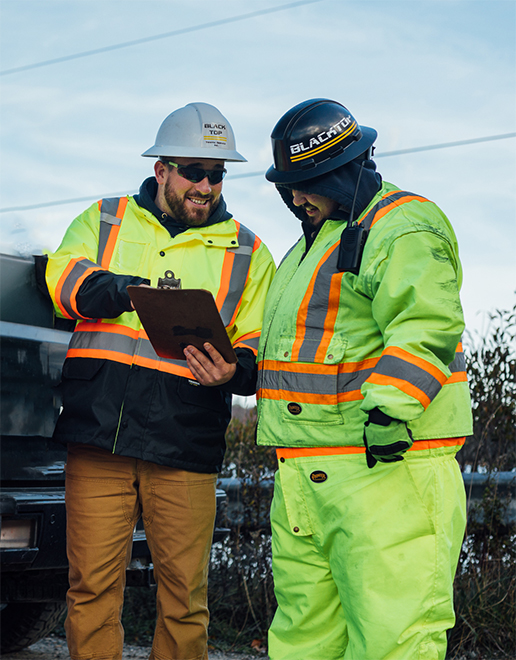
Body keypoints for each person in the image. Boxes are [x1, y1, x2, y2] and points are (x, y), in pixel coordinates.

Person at [45, 102, 276, 660]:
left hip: (186, 447)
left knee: (184, 600)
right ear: (162, 170)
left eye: (217, 174)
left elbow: (261, 348)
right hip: (101, 439)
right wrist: (121, 290)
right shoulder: (104, 219)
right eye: (194, 171)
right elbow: (62, 280)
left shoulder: (249, 252)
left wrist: (234, 371)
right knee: (92, 591)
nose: (206, 184)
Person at [255, 98, 472, 660]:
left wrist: (389, 411)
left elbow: (426, 324)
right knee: (303, 642)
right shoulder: (317, 240)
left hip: (385, 470)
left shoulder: (401, 226)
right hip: (306, 475)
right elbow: (307, 346)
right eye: (289, 187)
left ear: (341, 171)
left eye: (305, 184)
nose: (296, 199)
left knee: (391, 641)